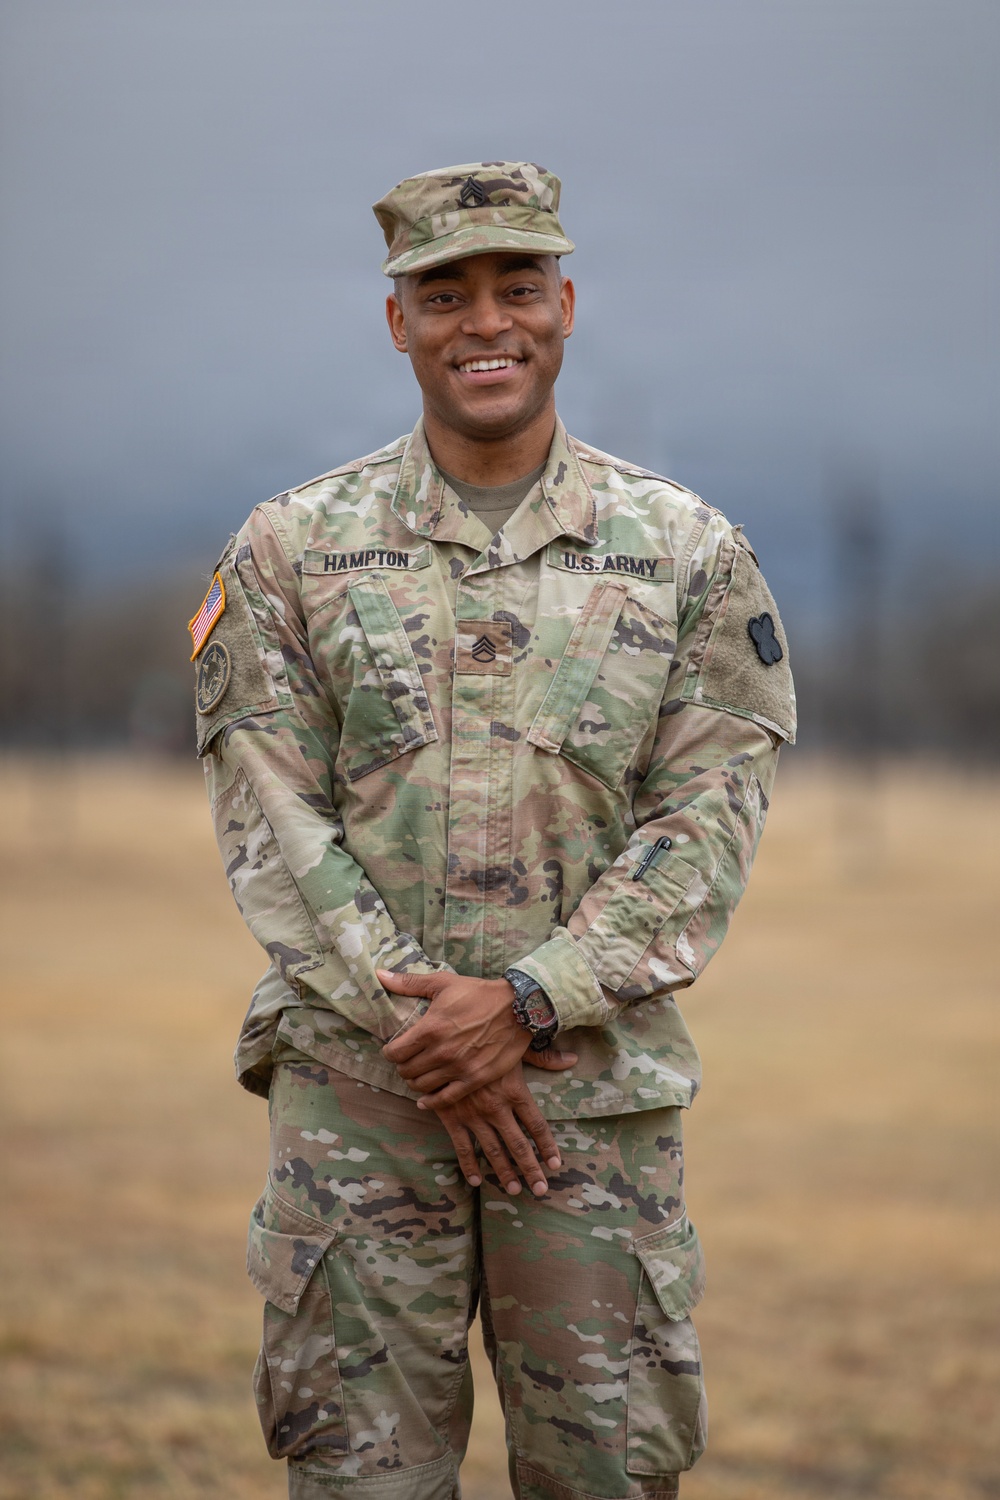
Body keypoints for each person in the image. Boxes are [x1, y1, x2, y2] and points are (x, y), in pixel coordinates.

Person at [190, 161, 795, 1500]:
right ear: (396, 321)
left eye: (518, 286)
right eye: (445, 292)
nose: (487, 322)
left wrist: (525, 1002)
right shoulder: (288, 550)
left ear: (566, 305)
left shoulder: (688, 553)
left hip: (586, 1107)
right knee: (361, 1484)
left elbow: (707, 820)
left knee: (606, 1479)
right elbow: (271, 816)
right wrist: (433, 1034)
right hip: (361, 1106)